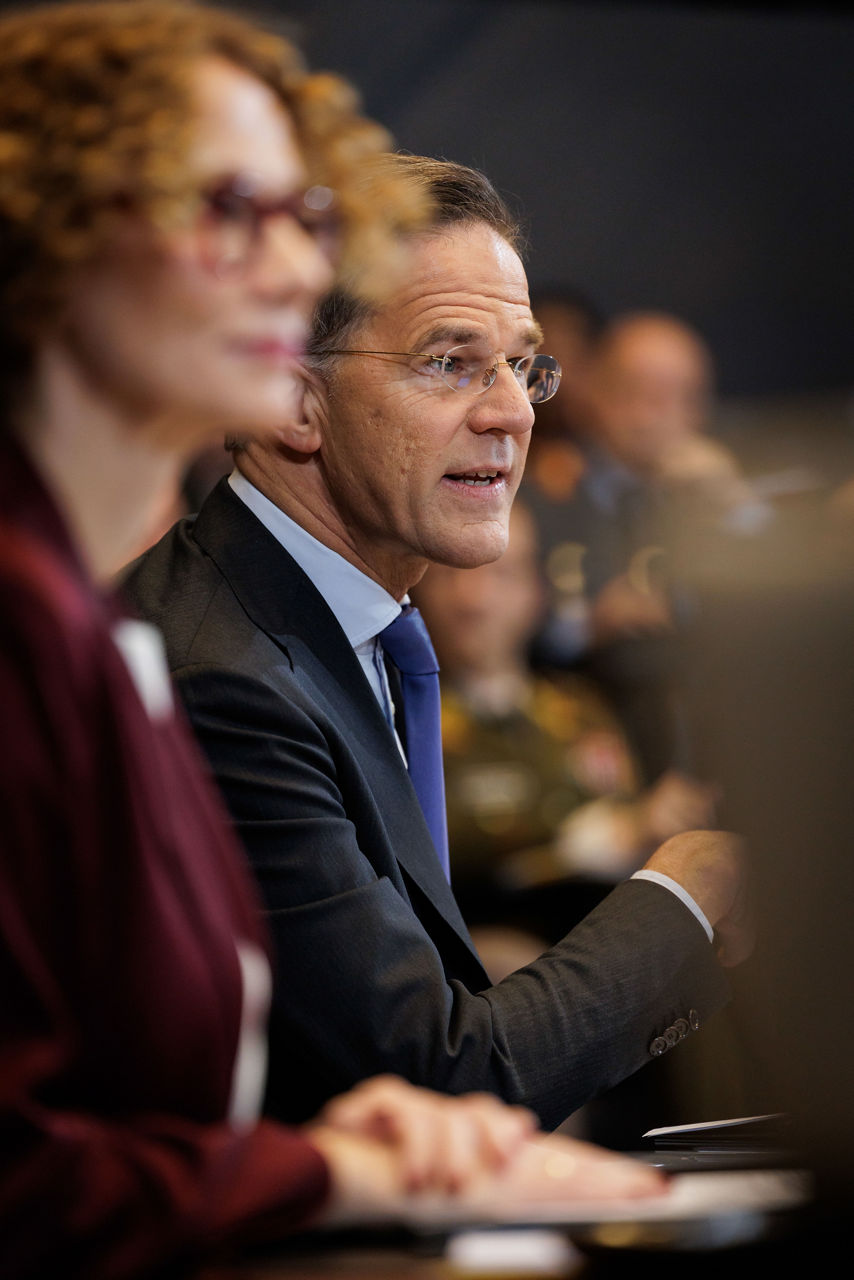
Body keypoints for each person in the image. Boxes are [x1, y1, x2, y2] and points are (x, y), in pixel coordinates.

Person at [0, 4, 668, 1276]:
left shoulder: (81, 622)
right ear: (56, 242)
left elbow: (130, 1108)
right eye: (231, 214)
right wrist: (326, 1170)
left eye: (297, 226)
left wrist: (313, 1147)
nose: (297, 273)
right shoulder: (69, 632)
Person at [123, 152, 750, 1134]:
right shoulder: (219, 678)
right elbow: (433, 1076)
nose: (509, 412)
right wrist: (685, 893)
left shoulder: (336, 627)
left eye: (521, 363)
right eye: (450, 361)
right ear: (292, 399)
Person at [412, 499, 717, 969]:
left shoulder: (578, 707)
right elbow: (446, 859)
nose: (474, 600)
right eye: (450, 573)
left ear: (536, 592)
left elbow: (626, 810)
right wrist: (612, 834)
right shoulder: (403, 718)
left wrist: (653, 822)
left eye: (501, 574)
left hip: (601, 934)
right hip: (481, 954)